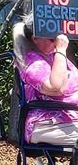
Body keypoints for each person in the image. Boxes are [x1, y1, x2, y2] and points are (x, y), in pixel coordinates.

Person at [18, 17, 78, 146]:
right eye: (53, 40)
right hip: (48, 123)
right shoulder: (31, 62)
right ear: (35, 38)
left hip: (70, 121)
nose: (58, 43)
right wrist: (61, 50)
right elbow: (56, 88)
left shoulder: (53, 57)